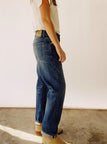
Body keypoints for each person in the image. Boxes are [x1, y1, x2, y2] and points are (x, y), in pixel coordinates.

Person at [30, 0, 67, 143]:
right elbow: (45, 19)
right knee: (57, 87)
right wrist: (57, 46)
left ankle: (41, 125)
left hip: (43, 40)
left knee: (44, 85)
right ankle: (49, 134)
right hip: (47, 41)